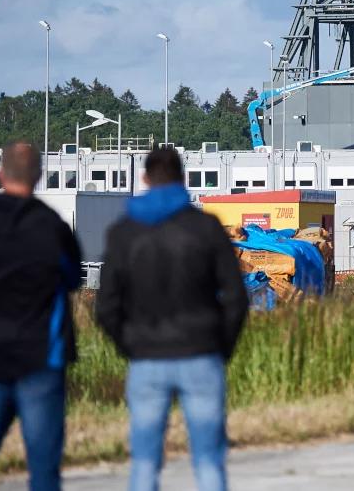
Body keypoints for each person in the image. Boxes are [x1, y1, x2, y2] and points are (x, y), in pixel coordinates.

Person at [96, 147, 248, 491]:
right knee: (209, 461)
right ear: (183, 179)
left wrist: (129, 344)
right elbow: (237, 298)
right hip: (201, 352)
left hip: (146, 356)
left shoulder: (123, 232)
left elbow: (106, 306)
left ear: (145, 179)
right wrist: (221, 347)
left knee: (145, 464)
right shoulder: (206, 228)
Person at [0, 142, 82, 491]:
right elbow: (72, 278)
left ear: (0, 173)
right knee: (43, 470)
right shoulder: (52, 227)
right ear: (39, 176)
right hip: (40, 356)